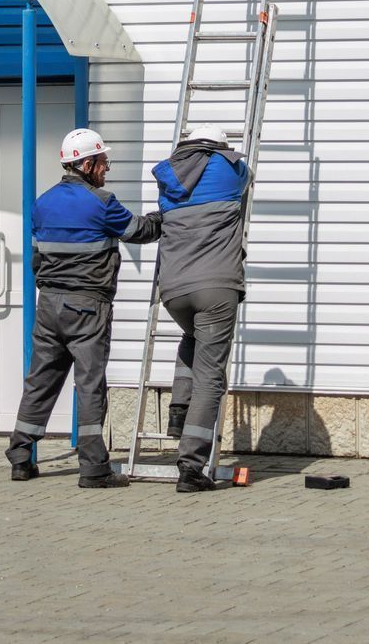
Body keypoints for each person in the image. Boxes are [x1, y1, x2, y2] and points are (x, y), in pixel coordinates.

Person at [6, 128, 161, 489]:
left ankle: (20, 457)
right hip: (88, 307)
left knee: (40, 382)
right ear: (87, 164)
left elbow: (36, 259)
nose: (107, 169)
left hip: (49, 305)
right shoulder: (102, 202)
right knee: (89, 385)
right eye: (103, 162)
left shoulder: (42, 203)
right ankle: (93, 469)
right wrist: (167, 217)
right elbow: (138, 230)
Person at [150, 123, 252, 493]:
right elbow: (247, 174)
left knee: (192, 337)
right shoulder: (230, 170)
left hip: (174, 291)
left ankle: (178, 410)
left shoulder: (167, 175)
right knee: (210, 377)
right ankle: (191, 467)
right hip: (216, 288)